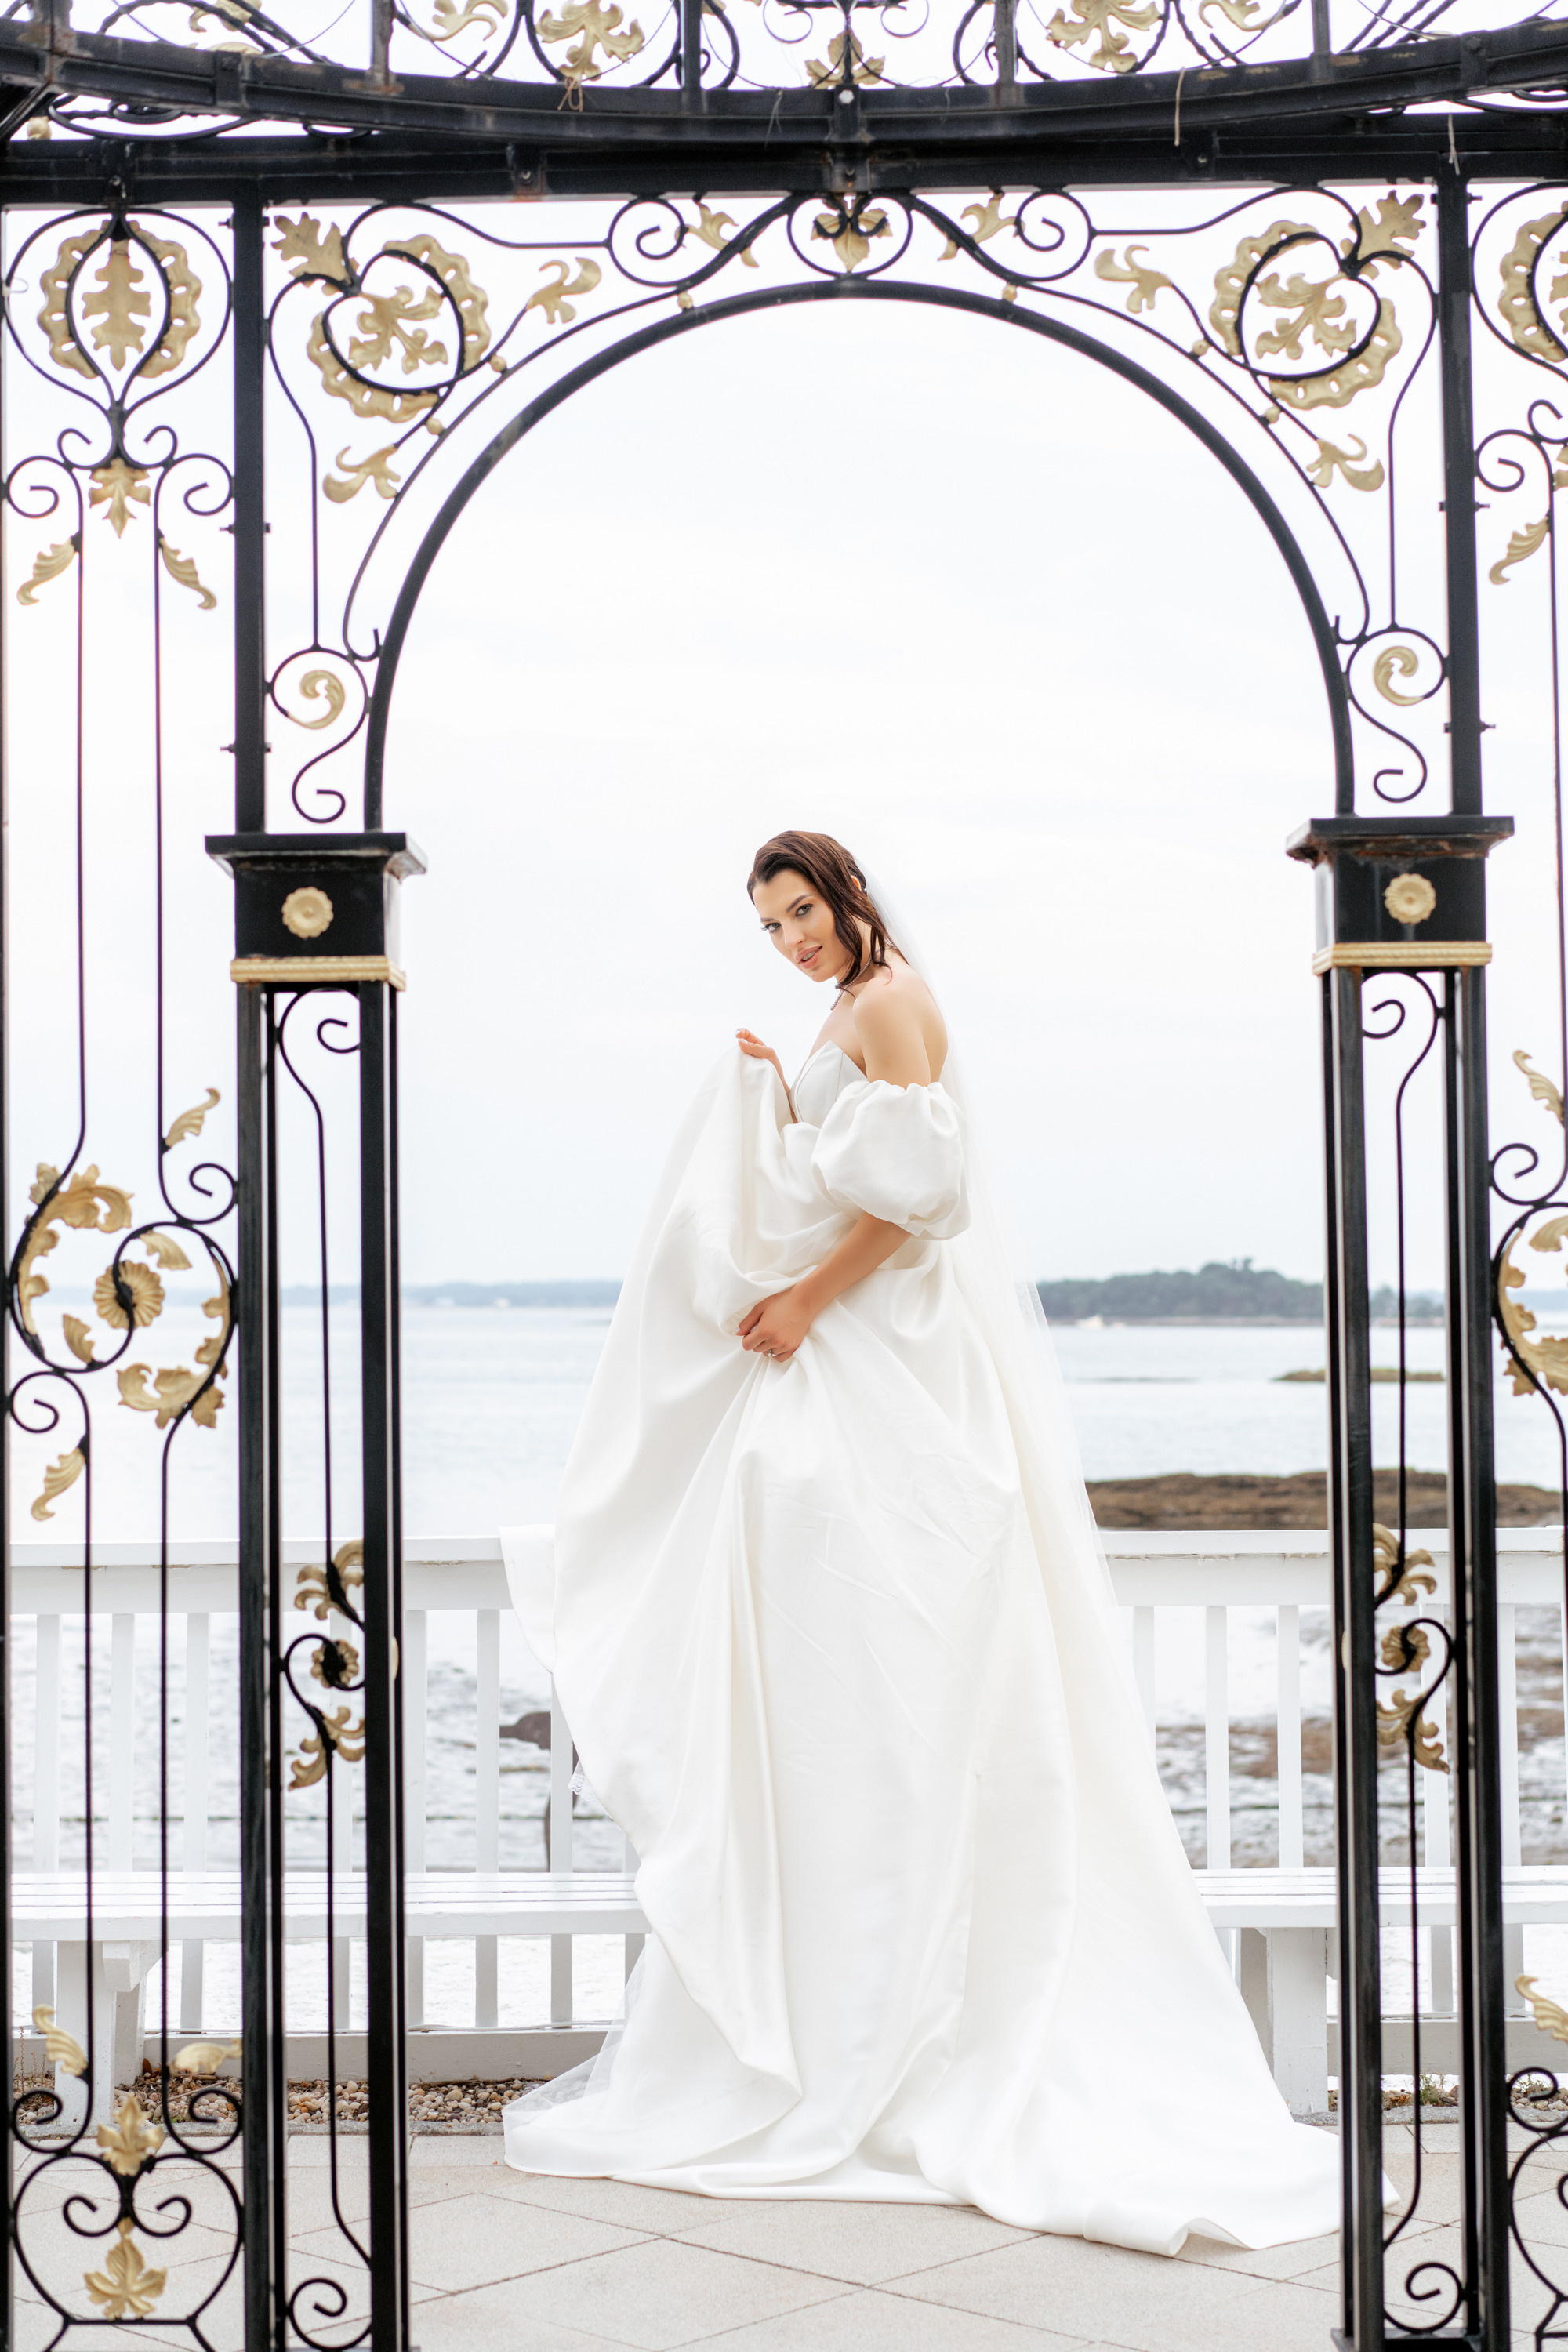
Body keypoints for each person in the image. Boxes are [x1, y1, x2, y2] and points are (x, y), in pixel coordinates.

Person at [500, 829, 1341, 2253]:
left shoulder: (890, 999)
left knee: (899, 1654)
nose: (792, 938)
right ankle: (839, 1989)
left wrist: (811, 1301)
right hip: (857, 1355)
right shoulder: (840, 1013)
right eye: (769, 923)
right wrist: (771, 1092)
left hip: (885, 1354)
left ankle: (905, 2024)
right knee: (842, 1673)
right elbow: (854, 1168)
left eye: (802, 910)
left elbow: (919, 1202)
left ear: (848, 895)